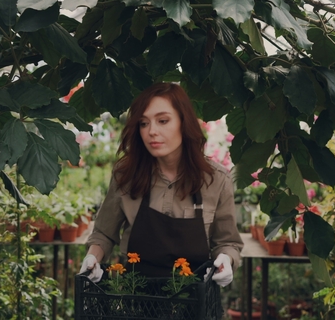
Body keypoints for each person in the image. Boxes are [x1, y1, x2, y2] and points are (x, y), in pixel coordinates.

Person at [80, 82, 243, 287]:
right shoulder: (126, 175)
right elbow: (103, 233)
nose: (152, 131)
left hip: (194, 303)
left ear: (184, 123)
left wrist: (226, 261)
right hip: (136, 299)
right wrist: (92, 258)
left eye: (163, 121)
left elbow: (227, 242)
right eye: (144, 123)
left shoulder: (215, 180)